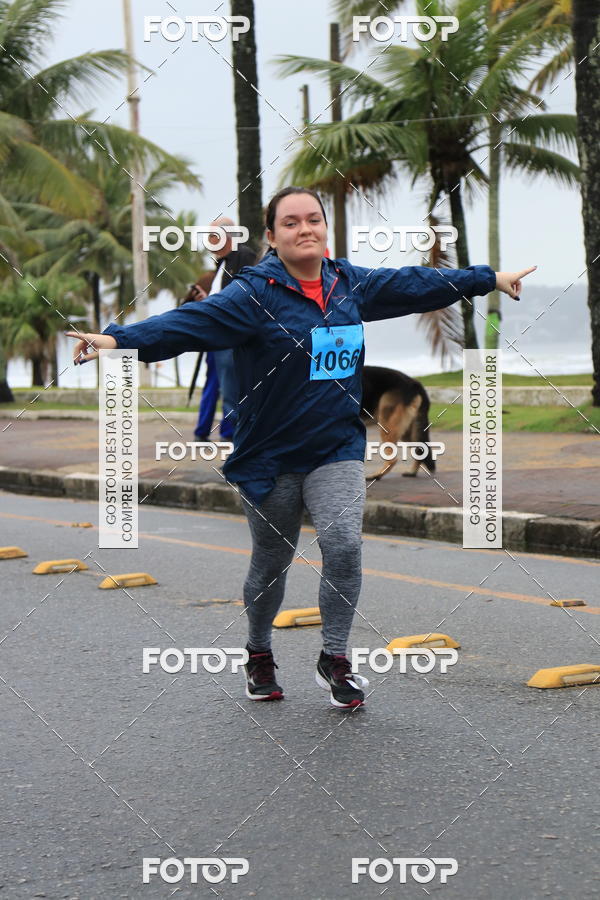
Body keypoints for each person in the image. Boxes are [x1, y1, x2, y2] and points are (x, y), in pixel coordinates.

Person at [65, 186, 535, 709]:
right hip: (269, 456)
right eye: (291, 222)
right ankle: (259, 652)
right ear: (271, 236)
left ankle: (335, 658)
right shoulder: (253, 295)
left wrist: (488, 278)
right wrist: (115, 340)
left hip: (335, 447)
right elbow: (187, 325)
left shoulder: (346, 283)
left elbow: (414, 284)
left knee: (345, 547)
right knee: (272, 560)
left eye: (313, 219)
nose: (305, 228)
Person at [191, 218, 256, 441]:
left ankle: (242, 456)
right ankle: (237, 455)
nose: (208, 243)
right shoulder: (221, 264)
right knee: (230, 399)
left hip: (232, 339)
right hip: (219, 339)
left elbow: (243, 293)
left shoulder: (242, 255)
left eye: (211, 237)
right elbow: (224, 298)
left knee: (235, 399)